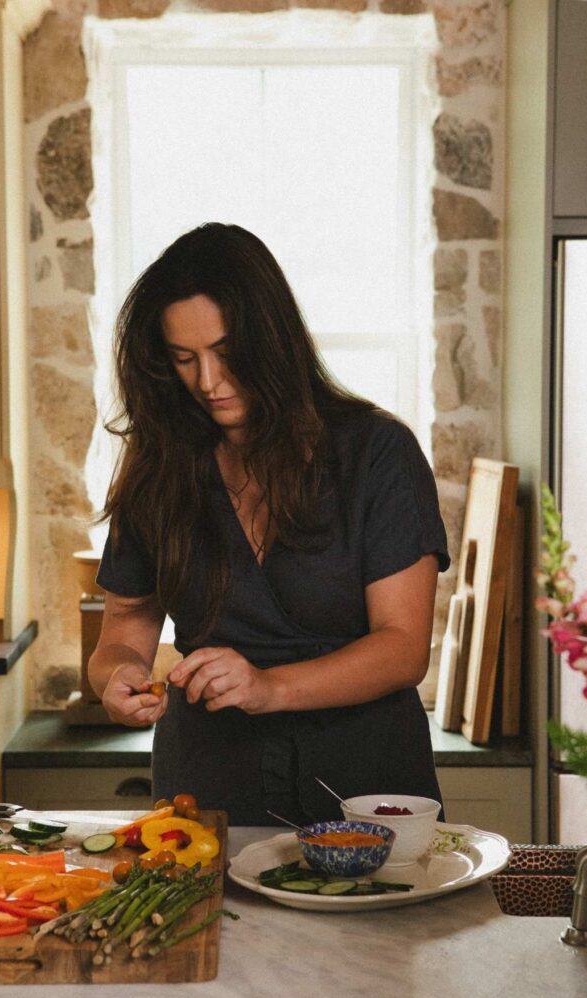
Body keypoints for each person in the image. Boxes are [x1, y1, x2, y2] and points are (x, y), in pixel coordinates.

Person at [89, 222, 450, 826]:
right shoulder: (159, 462)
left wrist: (268, 687)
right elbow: (124, 627)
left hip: (369, 790)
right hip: (207, 791)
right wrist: (117, 676)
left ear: (273, 339)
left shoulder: (376, 451)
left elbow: (403, 648)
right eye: (184, 358)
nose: (207, 381)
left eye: (226, 353)